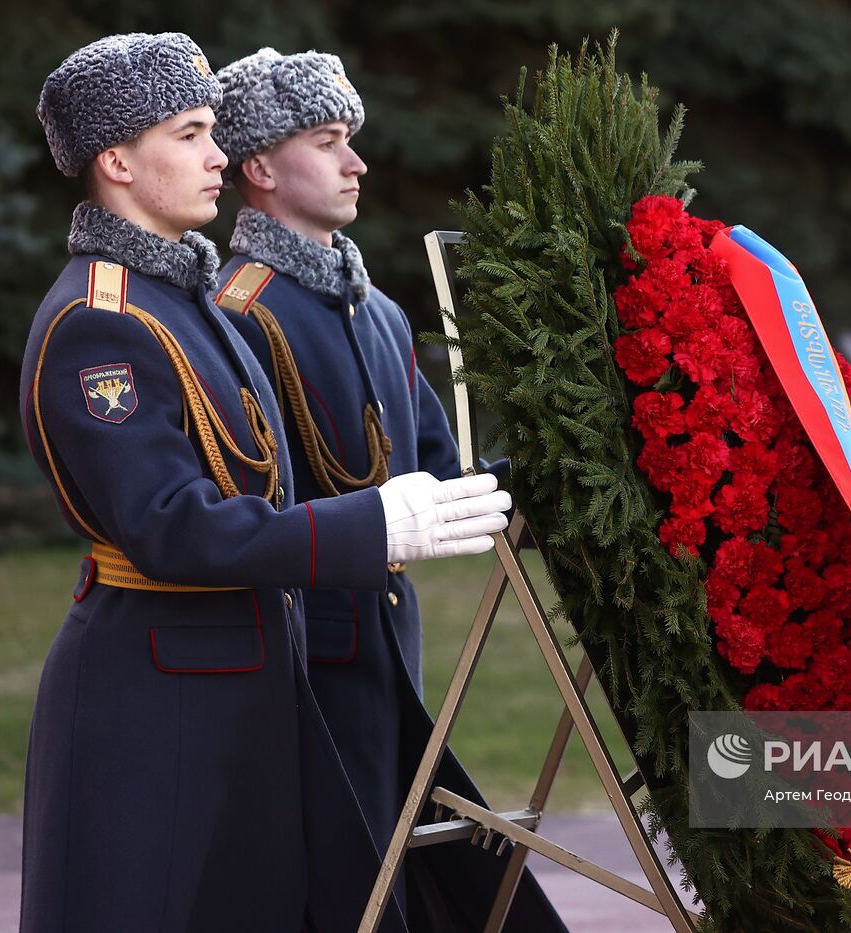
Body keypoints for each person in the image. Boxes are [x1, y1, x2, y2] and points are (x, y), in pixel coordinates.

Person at [21, 33, 510, 933]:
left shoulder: (186, 298)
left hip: (236, 683)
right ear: (118, 160)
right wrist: (370, 530)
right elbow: (170, 526)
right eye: (190, 132)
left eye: (214, 130)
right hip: (156, 696)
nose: (218, 155)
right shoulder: (103, 320)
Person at [209, 48, 565, 930]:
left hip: (387, 654)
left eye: (351, 141)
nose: (356, 162)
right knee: (333, 886)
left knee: (407, 877)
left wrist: (558, 467)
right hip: (297, 666)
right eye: (328, 142)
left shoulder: (379, 311)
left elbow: (444, 479)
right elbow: (252, 511)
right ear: (259, 168)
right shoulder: (237, 310)